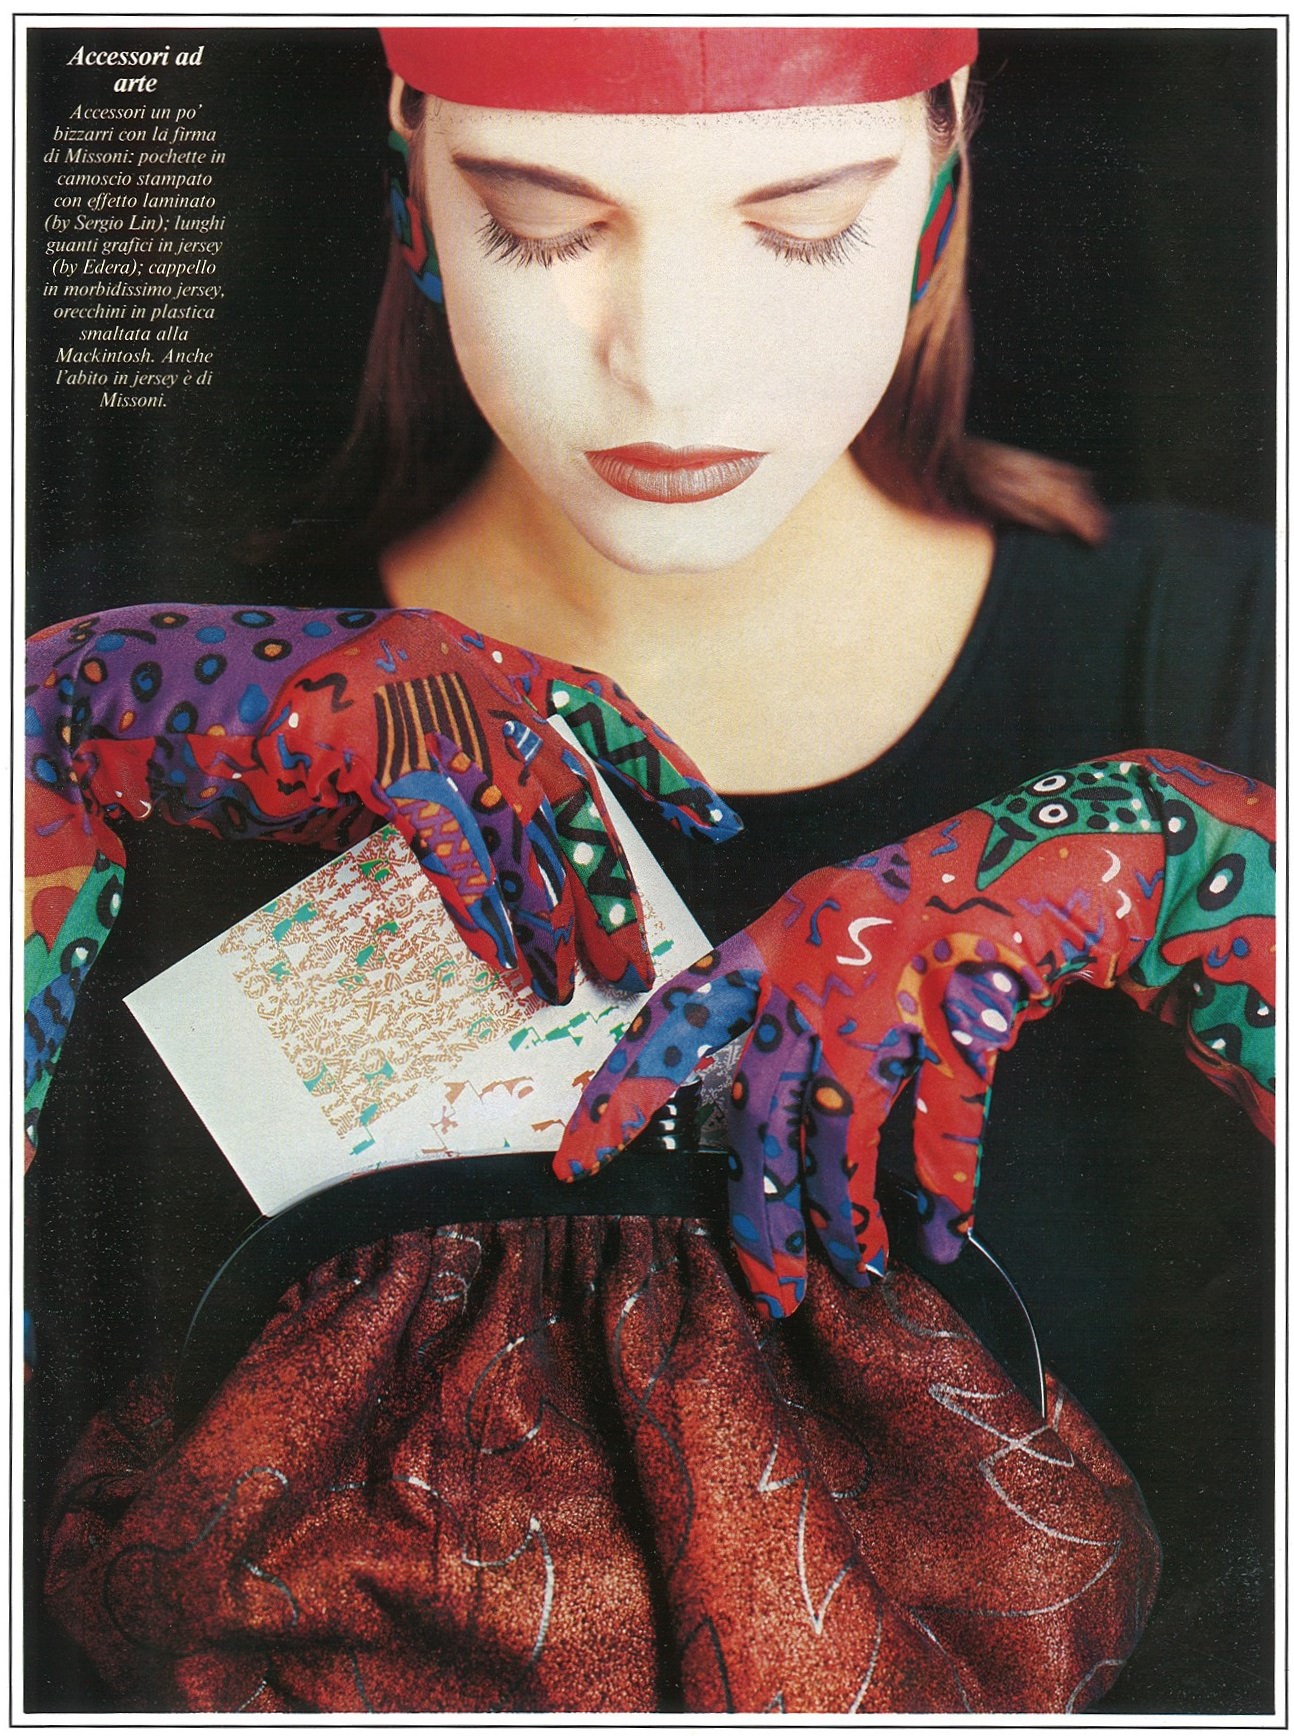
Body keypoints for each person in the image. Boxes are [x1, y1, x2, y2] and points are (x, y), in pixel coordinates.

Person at [25, 26, 1274, 1716]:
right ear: (411, 171)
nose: (670, 375)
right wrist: (53, 732)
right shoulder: (86, 665)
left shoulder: (1232, 651)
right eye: (541, 225)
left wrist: (1196, 871)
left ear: (941, 170)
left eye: (802, 226)